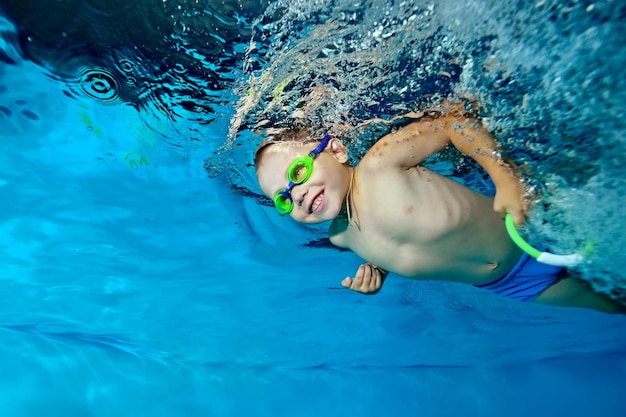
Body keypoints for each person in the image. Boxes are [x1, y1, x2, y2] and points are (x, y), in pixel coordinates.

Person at [254, 104, 623, 313]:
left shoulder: (380, 163)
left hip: (534, 231)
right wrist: (378, 268)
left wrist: (505, 178)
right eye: (284, 199)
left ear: (335, 151)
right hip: (510, 283)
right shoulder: (341, 237)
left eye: (297, 173)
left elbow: (453, 121)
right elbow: (399, 233)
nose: (297, 194)